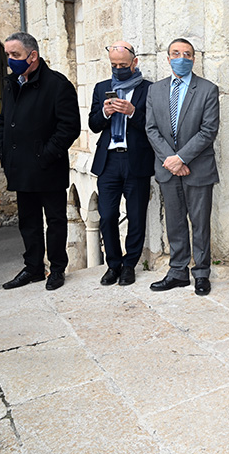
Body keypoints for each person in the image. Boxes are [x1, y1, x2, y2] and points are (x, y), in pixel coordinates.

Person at [0, 32, 81, 292]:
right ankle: (33, 268)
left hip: (47, 167)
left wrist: (45, 154)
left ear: (33, 56)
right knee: (28, 221)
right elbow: (3, 121)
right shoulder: (12, 84)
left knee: (55, 221)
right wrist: (2, 150)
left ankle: (56, 269)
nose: (11, 60)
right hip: (20, 167)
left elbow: (69, 127)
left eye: (16, 55)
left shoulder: (57, 84)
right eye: (8, 55)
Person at [146, 38, 219, 296]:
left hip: (198, 167)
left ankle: (201, 273)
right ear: (168, 58)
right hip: (168, 167)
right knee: (175, 222)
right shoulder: (155, 90)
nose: (182, 57)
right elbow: (151, 129)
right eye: (176, 53)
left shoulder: (208, 89)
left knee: (200, 223)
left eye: (187, 54)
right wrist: (171, 160)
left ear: (194, 59)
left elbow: (208, 129)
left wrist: (182, 158)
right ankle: (178, 271)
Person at [89, 41, 154, 287]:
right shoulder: (102, 88)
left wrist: (132, 112)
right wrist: (105, 113)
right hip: (108, 161)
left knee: (136, 216)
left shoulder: (149, 89)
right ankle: (113, 264)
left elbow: (153, 125)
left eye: (123, 65)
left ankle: (130, 265)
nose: (118, 69)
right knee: (107, 216)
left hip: (136, 159)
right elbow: (94, 124)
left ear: (134, 63)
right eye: (114, 65)